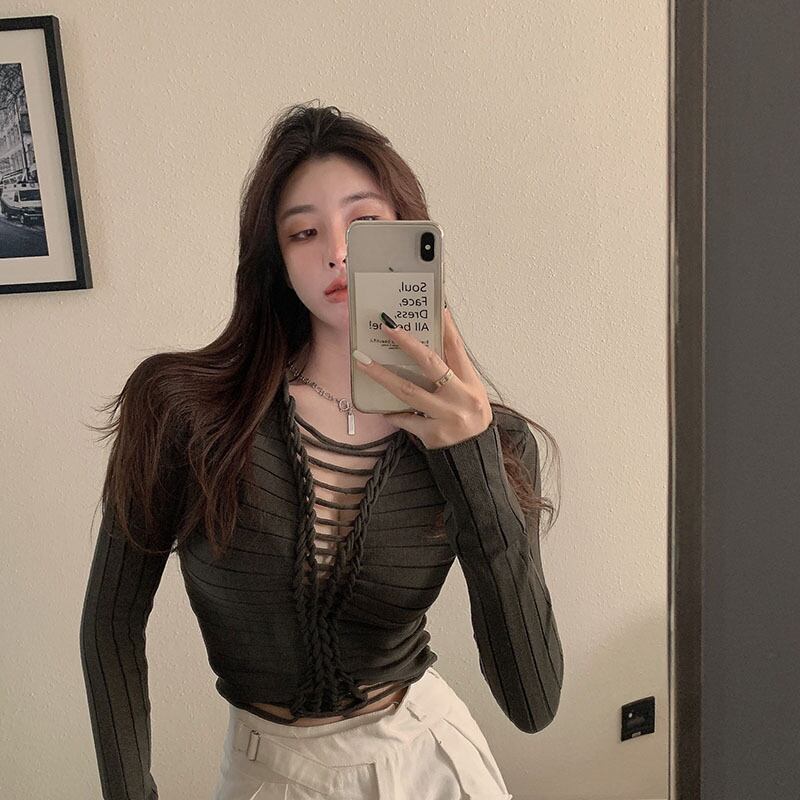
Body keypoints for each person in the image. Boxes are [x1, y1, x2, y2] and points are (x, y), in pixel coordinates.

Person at [80, 101, 564, 800]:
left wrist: (472, 458)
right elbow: (112, 625)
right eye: (304, 232)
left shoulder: (496, 441)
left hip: (430, 761)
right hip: (267, 772)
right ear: (276, 261)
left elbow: (533, 702)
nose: (338, 252)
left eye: (365, 224)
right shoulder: (180, 411)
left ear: (412, 238)